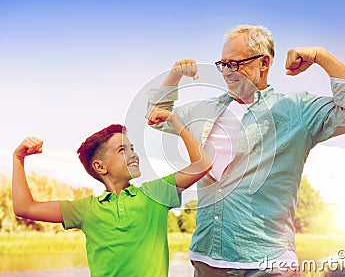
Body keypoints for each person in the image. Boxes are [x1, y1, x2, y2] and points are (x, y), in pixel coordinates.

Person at [147, 24, 345, 276]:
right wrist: (175, 75)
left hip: (267, 263)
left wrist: (319, 56)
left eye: (235, 64)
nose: (227, 72)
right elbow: (155, 116)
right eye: (223, 64)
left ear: (264, 63)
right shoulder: (205, 111)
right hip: (207, 260)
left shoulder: (295, 109)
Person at [12, 107, 212, 277]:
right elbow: (25, 207)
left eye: (132, 148)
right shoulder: (85, 209)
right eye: (122, 150)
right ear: (100, 167)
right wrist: (18, 159)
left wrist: (174, 120)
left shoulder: (155, 194)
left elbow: (202, 164)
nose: (133, 154)